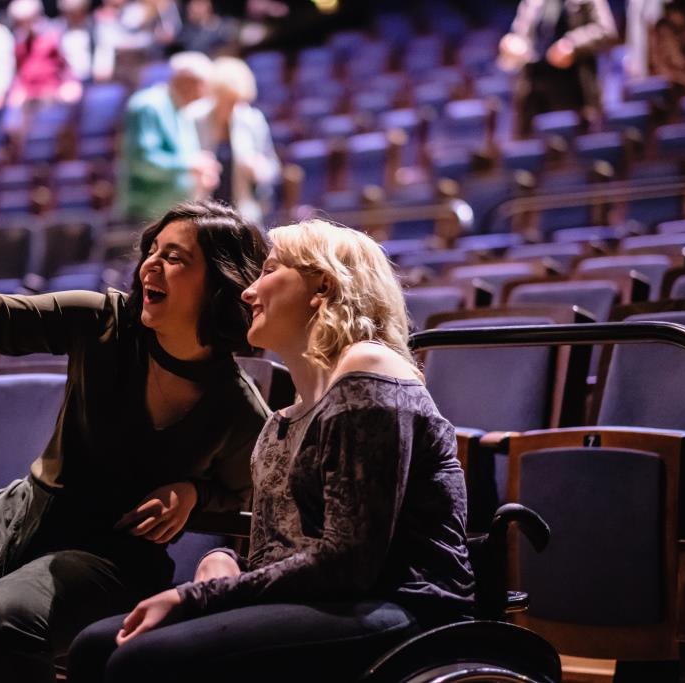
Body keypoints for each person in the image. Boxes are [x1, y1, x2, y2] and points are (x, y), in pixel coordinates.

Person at [0, 195, 270, 682]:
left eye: (175, 258)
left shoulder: (237, 407)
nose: (151, 262)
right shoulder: (102, 322)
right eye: (153, 248)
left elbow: (247, 494)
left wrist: (195, 494)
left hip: (108, 556)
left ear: (221, 283)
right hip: (8, 521)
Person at [67, 219, 475, 682]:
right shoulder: (279, 422)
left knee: (142, 660)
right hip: (322, 600)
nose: (248, 291)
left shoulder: (371, 371)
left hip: (400, 605)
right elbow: (280, 558)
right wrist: (222, 564)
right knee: (95, 647)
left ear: (322, 286)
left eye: (269, 270)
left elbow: (351, 562)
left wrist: (198, 597)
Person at [118, 51, 221, 222]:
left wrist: (199, 174)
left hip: (172, 215)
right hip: (145, 216)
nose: (207, 93)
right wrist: (190, 165)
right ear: (189, 82)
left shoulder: (184, 111)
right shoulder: (148, 106)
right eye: (205, 85)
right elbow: (143, 162)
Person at [498, 0, 617, 137]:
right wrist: (513, 44)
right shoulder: (531, 2)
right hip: (535, 90)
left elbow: (606, 30)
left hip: (574, 90)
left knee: (574, 148)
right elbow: (520, 34)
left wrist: (572, 45)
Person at [189, 56, 279, 226]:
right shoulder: (193, 117)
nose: (233, 108)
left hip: (242, 216)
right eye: (227, 101)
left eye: (237, 101)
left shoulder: (253, 119)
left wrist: (260, 169)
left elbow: (273, 167)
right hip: (199, 213)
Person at [8, 0, 82, 107]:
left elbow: (67, 67)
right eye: (20, 23)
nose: (25, 26)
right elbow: (18, 73)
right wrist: (18, 89)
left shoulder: (53, 37)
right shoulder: (19, 44)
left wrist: (70, 83)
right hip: (30, 97)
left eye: (28, 20)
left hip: (53, 94)